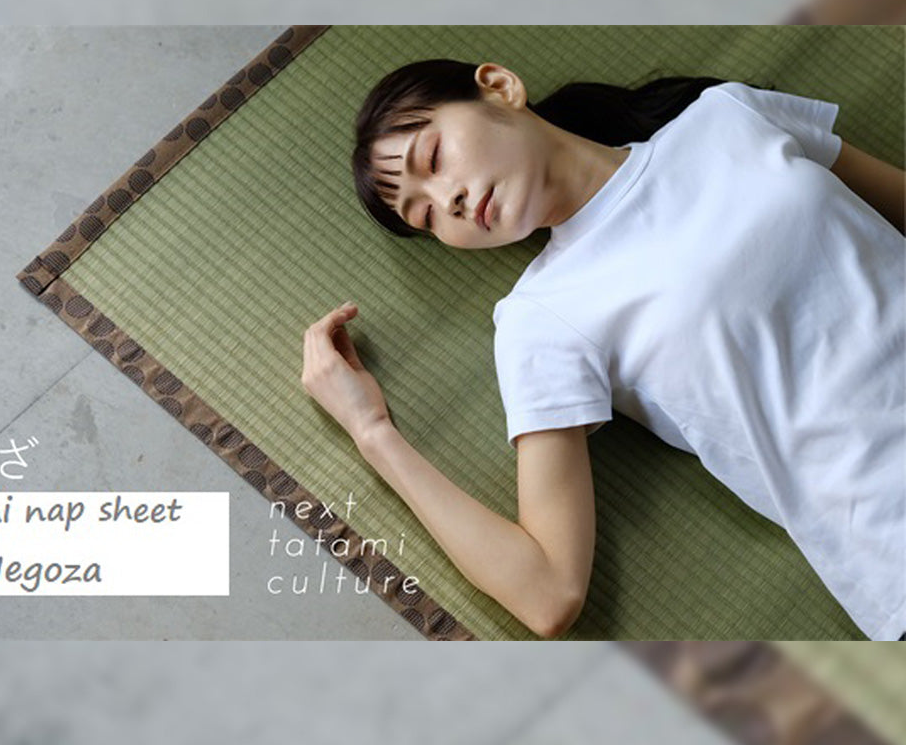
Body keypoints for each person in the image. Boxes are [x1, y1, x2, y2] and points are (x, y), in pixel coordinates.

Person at [300, 59, 906, 640]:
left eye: (432, 158)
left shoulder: (727, 115)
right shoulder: (540, 319)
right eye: (426, 216)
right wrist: (371, 429)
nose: (449, 202)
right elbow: (548, 594)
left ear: (498, 86)